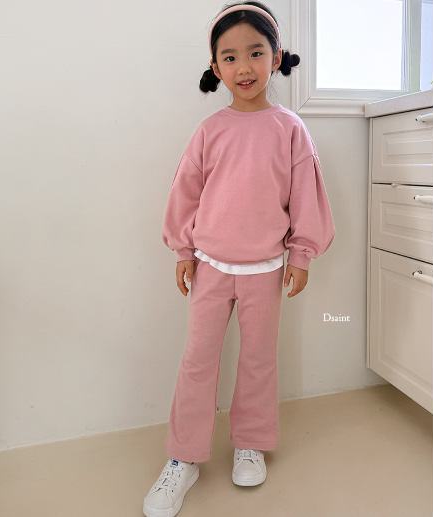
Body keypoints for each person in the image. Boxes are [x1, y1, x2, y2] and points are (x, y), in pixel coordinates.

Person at [143, 2, 335, 516]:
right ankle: (183, 457)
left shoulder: (290, 129)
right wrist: (183, 250)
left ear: (276, 57)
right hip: (210, 267)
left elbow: (306, 197)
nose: (244, 67)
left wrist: (302, 255)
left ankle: (249, 443)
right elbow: (186, 193)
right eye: (229, 57)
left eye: (255, 52)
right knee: (197, 360)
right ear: (215, 66)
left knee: (258, 360)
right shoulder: (209, 131)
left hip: (266, 270)